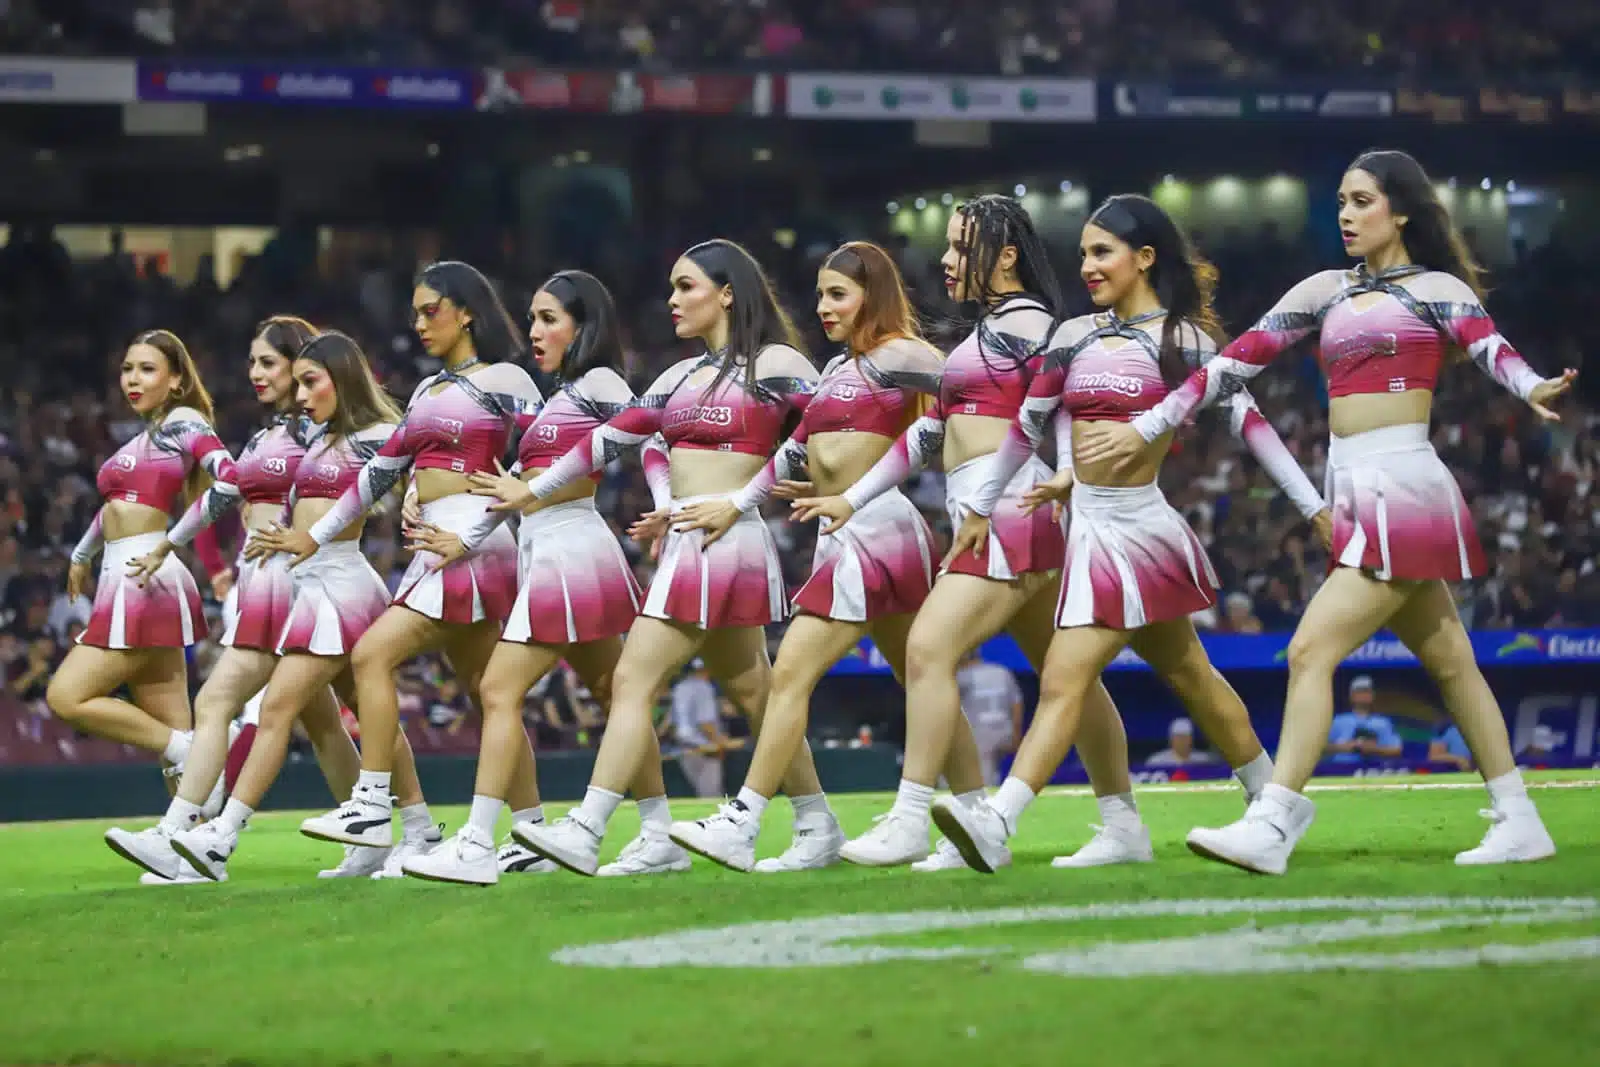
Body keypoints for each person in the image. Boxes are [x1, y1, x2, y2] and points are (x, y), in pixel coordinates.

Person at [1079, 149, 1571, 871]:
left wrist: (1531, 387)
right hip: (1355, 488)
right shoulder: (1322, 290)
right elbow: (1229, 365)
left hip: (1403, 483)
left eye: (1363, 200)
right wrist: (1149, 424)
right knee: (1453, 662)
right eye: (1341, 200)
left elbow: (1491, 350)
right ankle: (1519, 816)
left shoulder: (1436, 288)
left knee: (1311, 650)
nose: (1346, 213)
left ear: (1401, 210)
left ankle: (1274, 819)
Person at [928, 193, 1326, 874]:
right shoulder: (1071, 335)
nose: (1087, 265)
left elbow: (1252, 426)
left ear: (1145, 258)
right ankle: (1268, 797)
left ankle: (998, 820)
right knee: (1190, 674)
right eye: (1082, 252)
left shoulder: (1184, 341)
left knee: (1065, 675)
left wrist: (1314, 505)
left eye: (1102, 251)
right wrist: (986, 505)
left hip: (1138, 527)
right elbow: (1030, 425)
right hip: (1090, 526)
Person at [784, 197, 1148, 871]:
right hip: (986, 504)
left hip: (1011, 502)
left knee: (927, 646)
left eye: (959, 247)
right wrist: (852, 496)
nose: (946, 260)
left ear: (1005, 257)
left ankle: (914, 814)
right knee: (1066, 675)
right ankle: (1121, 821)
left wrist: (1069, 470)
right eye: (947, 247)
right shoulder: (986, 333)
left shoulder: (1031, 322)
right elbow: (927, 434)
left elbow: (1067, 395)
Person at [477, 239, 826, 877]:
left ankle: (588, 827)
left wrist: (747, 499)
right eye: (670, 286)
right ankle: (816, 821)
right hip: (694, 535)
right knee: (754, 690)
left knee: (634, 680)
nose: (672, 299)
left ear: (728, 292)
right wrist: (664, 501)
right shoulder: (676, 376)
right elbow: (628, 440)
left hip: (729, 537)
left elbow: (821, 423)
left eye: (686, 286)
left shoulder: (774, 361)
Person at [665, 240, 949, 873]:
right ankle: (977, 816)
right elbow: (794, 452)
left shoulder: (905, 353)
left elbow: (970, 402)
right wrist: (745, 501)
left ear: (871, 296)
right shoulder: (843, 368)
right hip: (841, 526)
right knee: (922, 678)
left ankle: (743, 821)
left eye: (838, 294)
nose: (823, 306)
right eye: (820, 293)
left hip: (875, 528)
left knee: (790, 674)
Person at [401, 271, 662, 885]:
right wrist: (458, 535)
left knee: (497, 689)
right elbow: (509, 492)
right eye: (533, 318)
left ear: (583, 325)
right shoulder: (564, 396)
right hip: (553, 551)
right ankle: (657, 832)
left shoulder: (598, 381)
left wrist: (665, 501)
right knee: (612, 693)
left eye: (549, 319)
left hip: (570, 551)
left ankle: (475, 842)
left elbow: (648, 431)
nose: (534, 331)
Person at [103, 317, 385, 882]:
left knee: (219, 703)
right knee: (326, 720)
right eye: (253, 362)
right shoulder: (265, 436)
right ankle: (380, 837)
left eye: (268, 363)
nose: (255, 373)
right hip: (263, 581)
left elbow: (362, 475)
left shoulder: (318, 432)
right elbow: (223, 496)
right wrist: (170, 544)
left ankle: (181, 832)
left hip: (294, 580)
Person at [283, 262, 544, 871]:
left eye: (431, 310)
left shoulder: (505, 377)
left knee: (372, 656)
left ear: (468, 312)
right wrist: (319, 534)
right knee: (489, 698)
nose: (419, 323)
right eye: (416, 312)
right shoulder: (426, 391)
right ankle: (532, 834)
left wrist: (495, 507)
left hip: (474, 543)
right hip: (439, 545)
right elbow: (380, 472)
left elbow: (542, 454)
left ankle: (373, 800)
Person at [161, 332, 438, 880]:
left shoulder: (376, 433)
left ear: (344, 378)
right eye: (301, 382)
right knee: (360, 714)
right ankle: (422, 829)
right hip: (312, 587)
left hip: (342, 585)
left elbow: (412, 464)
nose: (303, 393)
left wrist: (414, 495)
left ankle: (222, 832)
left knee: (279, 709)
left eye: (312, 381)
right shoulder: (316, 439)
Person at [47, 331, 232, 881]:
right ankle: (196, 857)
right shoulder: (148, 434)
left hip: (143, 576)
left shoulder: (185, 424)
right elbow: (114, 509)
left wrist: (172, 541)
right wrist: (82, 554)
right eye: (128, 368)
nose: (132, 379)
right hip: (126, 573)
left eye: (147, 369)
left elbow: (228, 480)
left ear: (176, 378)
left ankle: (190, 749)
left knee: (67, 695)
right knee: (168, 713)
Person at [956, 647, 1024, 787]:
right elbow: (1017, 703)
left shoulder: (961, 677)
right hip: (1005, 730)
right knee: (994, 773)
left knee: (982, 781)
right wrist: (1016, 734)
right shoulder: (1001, 671)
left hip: (979, 735)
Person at [1325, 675, 1402, 764]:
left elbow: (1396, 750)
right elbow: (1321, 748)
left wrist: (1373, 749)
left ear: (1372, 695)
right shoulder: (1338, 721)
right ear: (1351, 696)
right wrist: (1346, 747)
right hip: (1341, 769)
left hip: (1375, 770)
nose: (1363, 695)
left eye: (1367, 692)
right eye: (1359, 692)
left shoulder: (1383, 722)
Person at [1146, 717, 1220, 766]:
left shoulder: (1204, 760)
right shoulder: (1157, 761)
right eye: (1178, 737)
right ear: (1171, 740)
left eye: (1185, 737)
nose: (1182, 741)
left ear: (1191, 739)